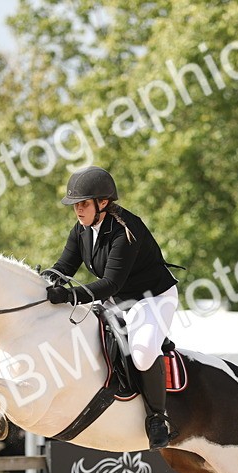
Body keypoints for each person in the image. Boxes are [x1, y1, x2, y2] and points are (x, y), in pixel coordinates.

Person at [44, 166, 179, 450]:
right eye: (75, 205)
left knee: (142, 354)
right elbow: (64, 267)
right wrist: (43, 281)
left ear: (103, 202)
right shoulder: (81, 230)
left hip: (151, 298)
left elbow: (110, 283)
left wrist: (69, 296)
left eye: (83, 204)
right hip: (118, 300)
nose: (78, 210)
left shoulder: (126, 231)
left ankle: (158, 418)